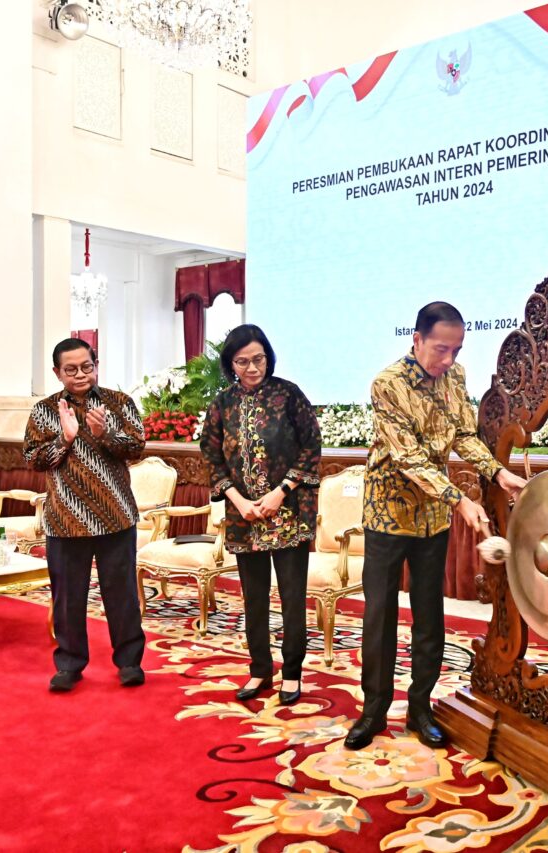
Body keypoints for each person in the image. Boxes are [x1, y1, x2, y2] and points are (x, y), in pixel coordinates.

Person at [345, 301, 527, 750]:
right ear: (417, 340)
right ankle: (374, 710)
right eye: (441, 349)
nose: (448, 359)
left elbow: (463, 435)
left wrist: (497, 473)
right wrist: (459, 499)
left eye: (456, 350)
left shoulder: (455, 377)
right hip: (388, 514)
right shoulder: (387, 384)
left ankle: (421, 707)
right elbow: (407, 457)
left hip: (432, 519)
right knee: (380, 615)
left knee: (430, 615)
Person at [200, 324, 321, 706]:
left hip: (288, 513)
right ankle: (259, 669)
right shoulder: (222, 404)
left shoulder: (288, 395)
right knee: (253, 598)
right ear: (230, 364)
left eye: (259, 359)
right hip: (244, 516)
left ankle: (292, 672)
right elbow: (211, 457)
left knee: (291, 598)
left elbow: (311, 446)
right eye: (242, 362)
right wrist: (237, 500)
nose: (252, 368)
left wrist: (279, 493)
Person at [24, 337, 148, 693]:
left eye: (86, 367)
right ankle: (69, 665)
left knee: (122, 595)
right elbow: (33, 459)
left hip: (115, 516)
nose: (80, 375)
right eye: (71, 369)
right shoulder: (44, 411)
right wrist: (64, 439)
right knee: (67, 598)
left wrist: (104, 434)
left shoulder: (119, 403)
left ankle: (129, 663)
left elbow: (136, 448)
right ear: (57, 372)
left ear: (96, 365)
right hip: (65, 519)